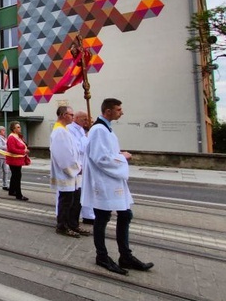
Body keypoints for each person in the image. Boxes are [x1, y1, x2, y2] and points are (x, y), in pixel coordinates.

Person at [82, 98, 154, 275]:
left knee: (125, 214)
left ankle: (125, 256)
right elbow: (101, 158)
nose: (122, 112)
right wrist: (124, 158)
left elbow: (106, 153)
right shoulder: (99, 130)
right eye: (119, 109)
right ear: (108, 111)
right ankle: (102, 256)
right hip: (104, 181)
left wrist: (118, 154)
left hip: (112, 180)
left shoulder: (105, 128)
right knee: (102, 216)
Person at [51, 106, 90, 238]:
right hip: (67, 172)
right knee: (66, 201)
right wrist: (75, 168)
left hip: (74, 172)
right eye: (71, 115)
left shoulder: (65, 130)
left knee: (75, 200)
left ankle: (73, 224)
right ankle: (62, 226)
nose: (73, 118)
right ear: (63, 115)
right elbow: (63, 155)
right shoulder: (59, 132)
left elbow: (75, 150)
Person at [68, 110, 95, 225]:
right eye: (84, 119)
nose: (86, 122)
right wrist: (87, 138)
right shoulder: (70, 129)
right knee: (76, 193)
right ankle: (71, 219)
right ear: (77, 118)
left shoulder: (82, 130)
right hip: (77, 165)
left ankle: (88, 215)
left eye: (87, 119)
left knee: (87, 191)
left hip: (86, 164)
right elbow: (78, 148)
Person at [5, 121, 29, 201]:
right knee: (17, 176)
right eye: (18, 127)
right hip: (14, 159)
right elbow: (12, 149)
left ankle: (12, 190)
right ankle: (19, 194)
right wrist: (23, 151)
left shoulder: (17, 136)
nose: (20, 128)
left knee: (15, 175)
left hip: (17, 159)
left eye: (19, 127)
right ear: (13, 129)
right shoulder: (12, 137)